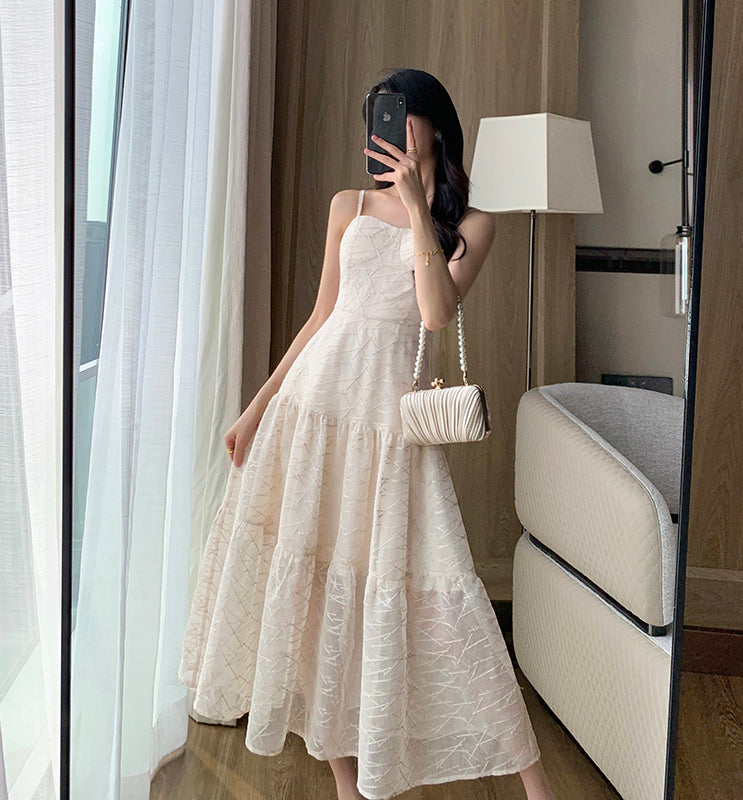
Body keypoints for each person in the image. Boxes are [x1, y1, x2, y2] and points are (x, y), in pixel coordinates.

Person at [178, 68, 557, 800]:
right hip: (312, 412)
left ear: (434, 124)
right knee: (312, 594)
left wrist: (416, 208)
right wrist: (257, 407)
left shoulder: (474, 223)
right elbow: (320, 318)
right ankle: (347, 786)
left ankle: (538, 788)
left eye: (399, 113)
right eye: (378, 116)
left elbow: (435, 314)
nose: (388, 129)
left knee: (447, 597)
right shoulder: (346, 205)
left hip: (387, 431)